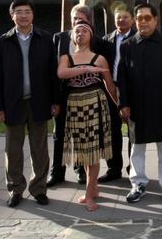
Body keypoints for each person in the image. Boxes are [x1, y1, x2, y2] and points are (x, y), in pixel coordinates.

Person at [0, 0, 60, 208]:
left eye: (27, 12)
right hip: (14, 103)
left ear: (33, 15)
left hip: (39, 101)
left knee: (39, 149)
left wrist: (55, 100)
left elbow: (53, 73)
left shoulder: (45, 38)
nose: (23, 15)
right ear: (12, 15)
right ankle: (15, 189)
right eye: (19, 12)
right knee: (13, 150)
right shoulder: (4, 41)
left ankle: (39, 189)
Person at [117, 3, 162, 205]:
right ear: (135, 21)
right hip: (136, 106)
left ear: (155, 20)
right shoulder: (127, 45)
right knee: (137, 147)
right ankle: (138, 184)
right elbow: (122, 77)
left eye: (147, 17)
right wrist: (123, 103)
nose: (143, 21)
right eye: (139, 18)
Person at [57, 20, 117, 212]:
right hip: (75, 106)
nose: (80, 34)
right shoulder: (66, 57)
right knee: (83, 152)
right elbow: (61, 73)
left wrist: (118, 106)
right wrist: (87, 69)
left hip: (95, 105)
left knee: (93, 152)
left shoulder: (99, 58)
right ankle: (94, 188)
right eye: (77, 31)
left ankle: (89, 194)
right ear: (72, 36)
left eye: (84, 31)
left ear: (91, 35)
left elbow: (110, 86)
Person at [48, 4, 108, 187]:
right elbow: (53, 71)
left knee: (84, 135)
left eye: (80, 19)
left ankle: (81, 170)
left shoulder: (98, 41)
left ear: (88, 21)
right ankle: (57, 172)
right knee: (59, 133)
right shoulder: (59, 38)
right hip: (63, 94)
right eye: (74, 18)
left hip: (89, 96)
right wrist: (54, 99)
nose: (76, 22)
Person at [99, 4, 136, 182]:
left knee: (133, 131)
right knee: (112, 130)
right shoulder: (107, 40)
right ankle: (114, 169)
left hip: (131, 90)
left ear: (132, 19)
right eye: (118, 17)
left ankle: (133, 168)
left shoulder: (138, 39)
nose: (121, 20)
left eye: (125, 17)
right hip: (110, 88)